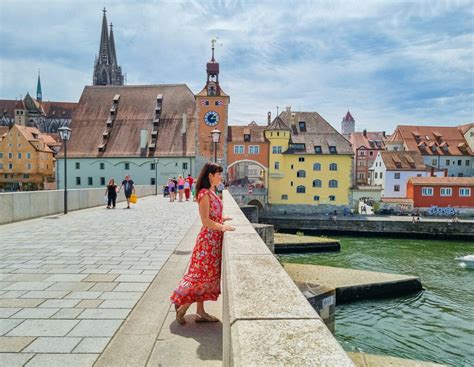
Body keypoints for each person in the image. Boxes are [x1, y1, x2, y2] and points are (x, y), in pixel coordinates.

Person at [170, 162, 235, 324]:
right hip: (207, 242)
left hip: (213, 242)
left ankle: (200, 311)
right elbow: (205, 221)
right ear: (210, 176)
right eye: (218, 174)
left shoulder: (212, 192)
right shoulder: (204, 194)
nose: (221, 177)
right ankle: (182, 308)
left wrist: (222, 218)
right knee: (200, 277)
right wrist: (223, 226)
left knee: (205, 278)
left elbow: (212, 215)